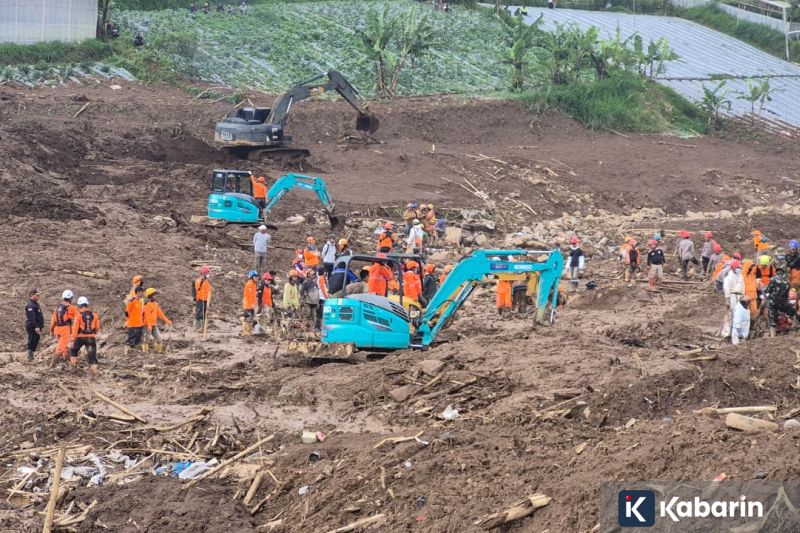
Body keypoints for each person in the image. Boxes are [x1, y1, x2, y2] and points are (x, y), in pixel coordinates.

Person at [70, 296, 99, 376]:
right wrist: (93, 334)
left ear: (79, 306)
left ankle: (73, 368)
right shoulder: (94, 315)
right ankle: (94, 373)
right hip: (91, 338)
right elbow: (97, 327)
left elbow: (75, 328)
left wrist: (73, 339)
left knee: (73, 351)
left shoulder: (78, 316)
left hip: (80, 337)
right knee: (92, 356)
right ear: (87, 305)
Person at [765, 267, 797, 337]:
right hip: (783, 302)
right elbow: (787, 294)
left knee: (772, 320)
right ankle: (795, 331)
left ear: (776, 272)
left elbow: (767, 290)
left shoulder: (773, 279)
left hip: (773, 302)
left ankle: (772, 337)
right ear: (783, 273)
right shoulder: (786, 281)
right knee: (793, 314)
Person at [50, 290, 77, 363]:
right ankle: (52, 362)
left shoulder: (57, 308)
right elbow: (78, 319)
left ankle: (66, 360)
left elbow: (53, 321)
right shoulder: (71, 308)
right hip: (65, 329)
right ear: (71, 298)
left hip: (57, 329)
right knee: (61, 347)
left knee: (65, 346)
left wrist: (51, 331)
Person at [143, 288, 172, 353]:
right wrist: (149, 326)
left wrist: (167, 321)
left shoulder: (156, 304)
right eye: (155, 295)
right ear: (150, 295)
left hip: (153, 325)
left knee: (159, 339)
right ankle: (145, 353)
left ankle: (159, 352)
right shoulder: (147, 305)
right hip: (147, 325)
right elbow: (147, 316)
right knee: (146, 339)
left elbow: (160, 314)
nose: (156, 296)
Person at [721, 260, 744, 338]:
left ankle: (737, 332)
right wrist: (727, 301)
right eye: (737, 268)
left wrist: (743, 296)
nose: (738, 269)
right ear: (733, 268)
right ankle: (726, 333)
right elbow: (727, 289)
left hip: (740, 297)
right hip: (732, 297)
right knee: (731, 315)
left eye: (739, 268)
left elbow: (743, 286)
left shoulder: (741, 277)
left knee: (739, 315)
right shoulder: (728, 278)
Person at [124, 286, 145, 355]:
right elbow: (127, 312)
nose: (143, 294)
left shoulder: (140, 301)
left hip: (139, 324)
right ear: (138, 292)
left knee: (137, 340)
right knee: (131, 340)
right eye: (142, 292)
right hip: (133, 325)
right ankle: (127, 353)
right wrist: (129, 320)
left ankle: (133, 354)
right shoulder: (132, 301)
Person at [25, 289, 44, 362]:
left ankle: (31, 356)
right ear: (32, 295)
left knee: (36, 340)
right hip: (32, 326)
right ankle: (29, 356)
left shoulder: (35, 304)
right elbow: (32, 317)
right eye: (37, 295)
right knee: (32, 340)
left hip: (37, 326)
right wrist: (36, 327)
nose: (39, 296)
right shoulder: (30, 305)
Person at [193, 266, 213, 331]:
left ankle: (202, 327)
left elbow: (209, 290)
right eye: (206, 273)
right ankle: (198, 327)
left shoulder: (206, 281)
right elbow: (198, 290)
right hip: (201, 299)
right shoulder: (199, 281)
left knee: (204, 313)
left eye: (208, 273)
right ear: (203, 273)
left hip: (206, 300)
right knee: (200, 313)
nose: (208, 274)